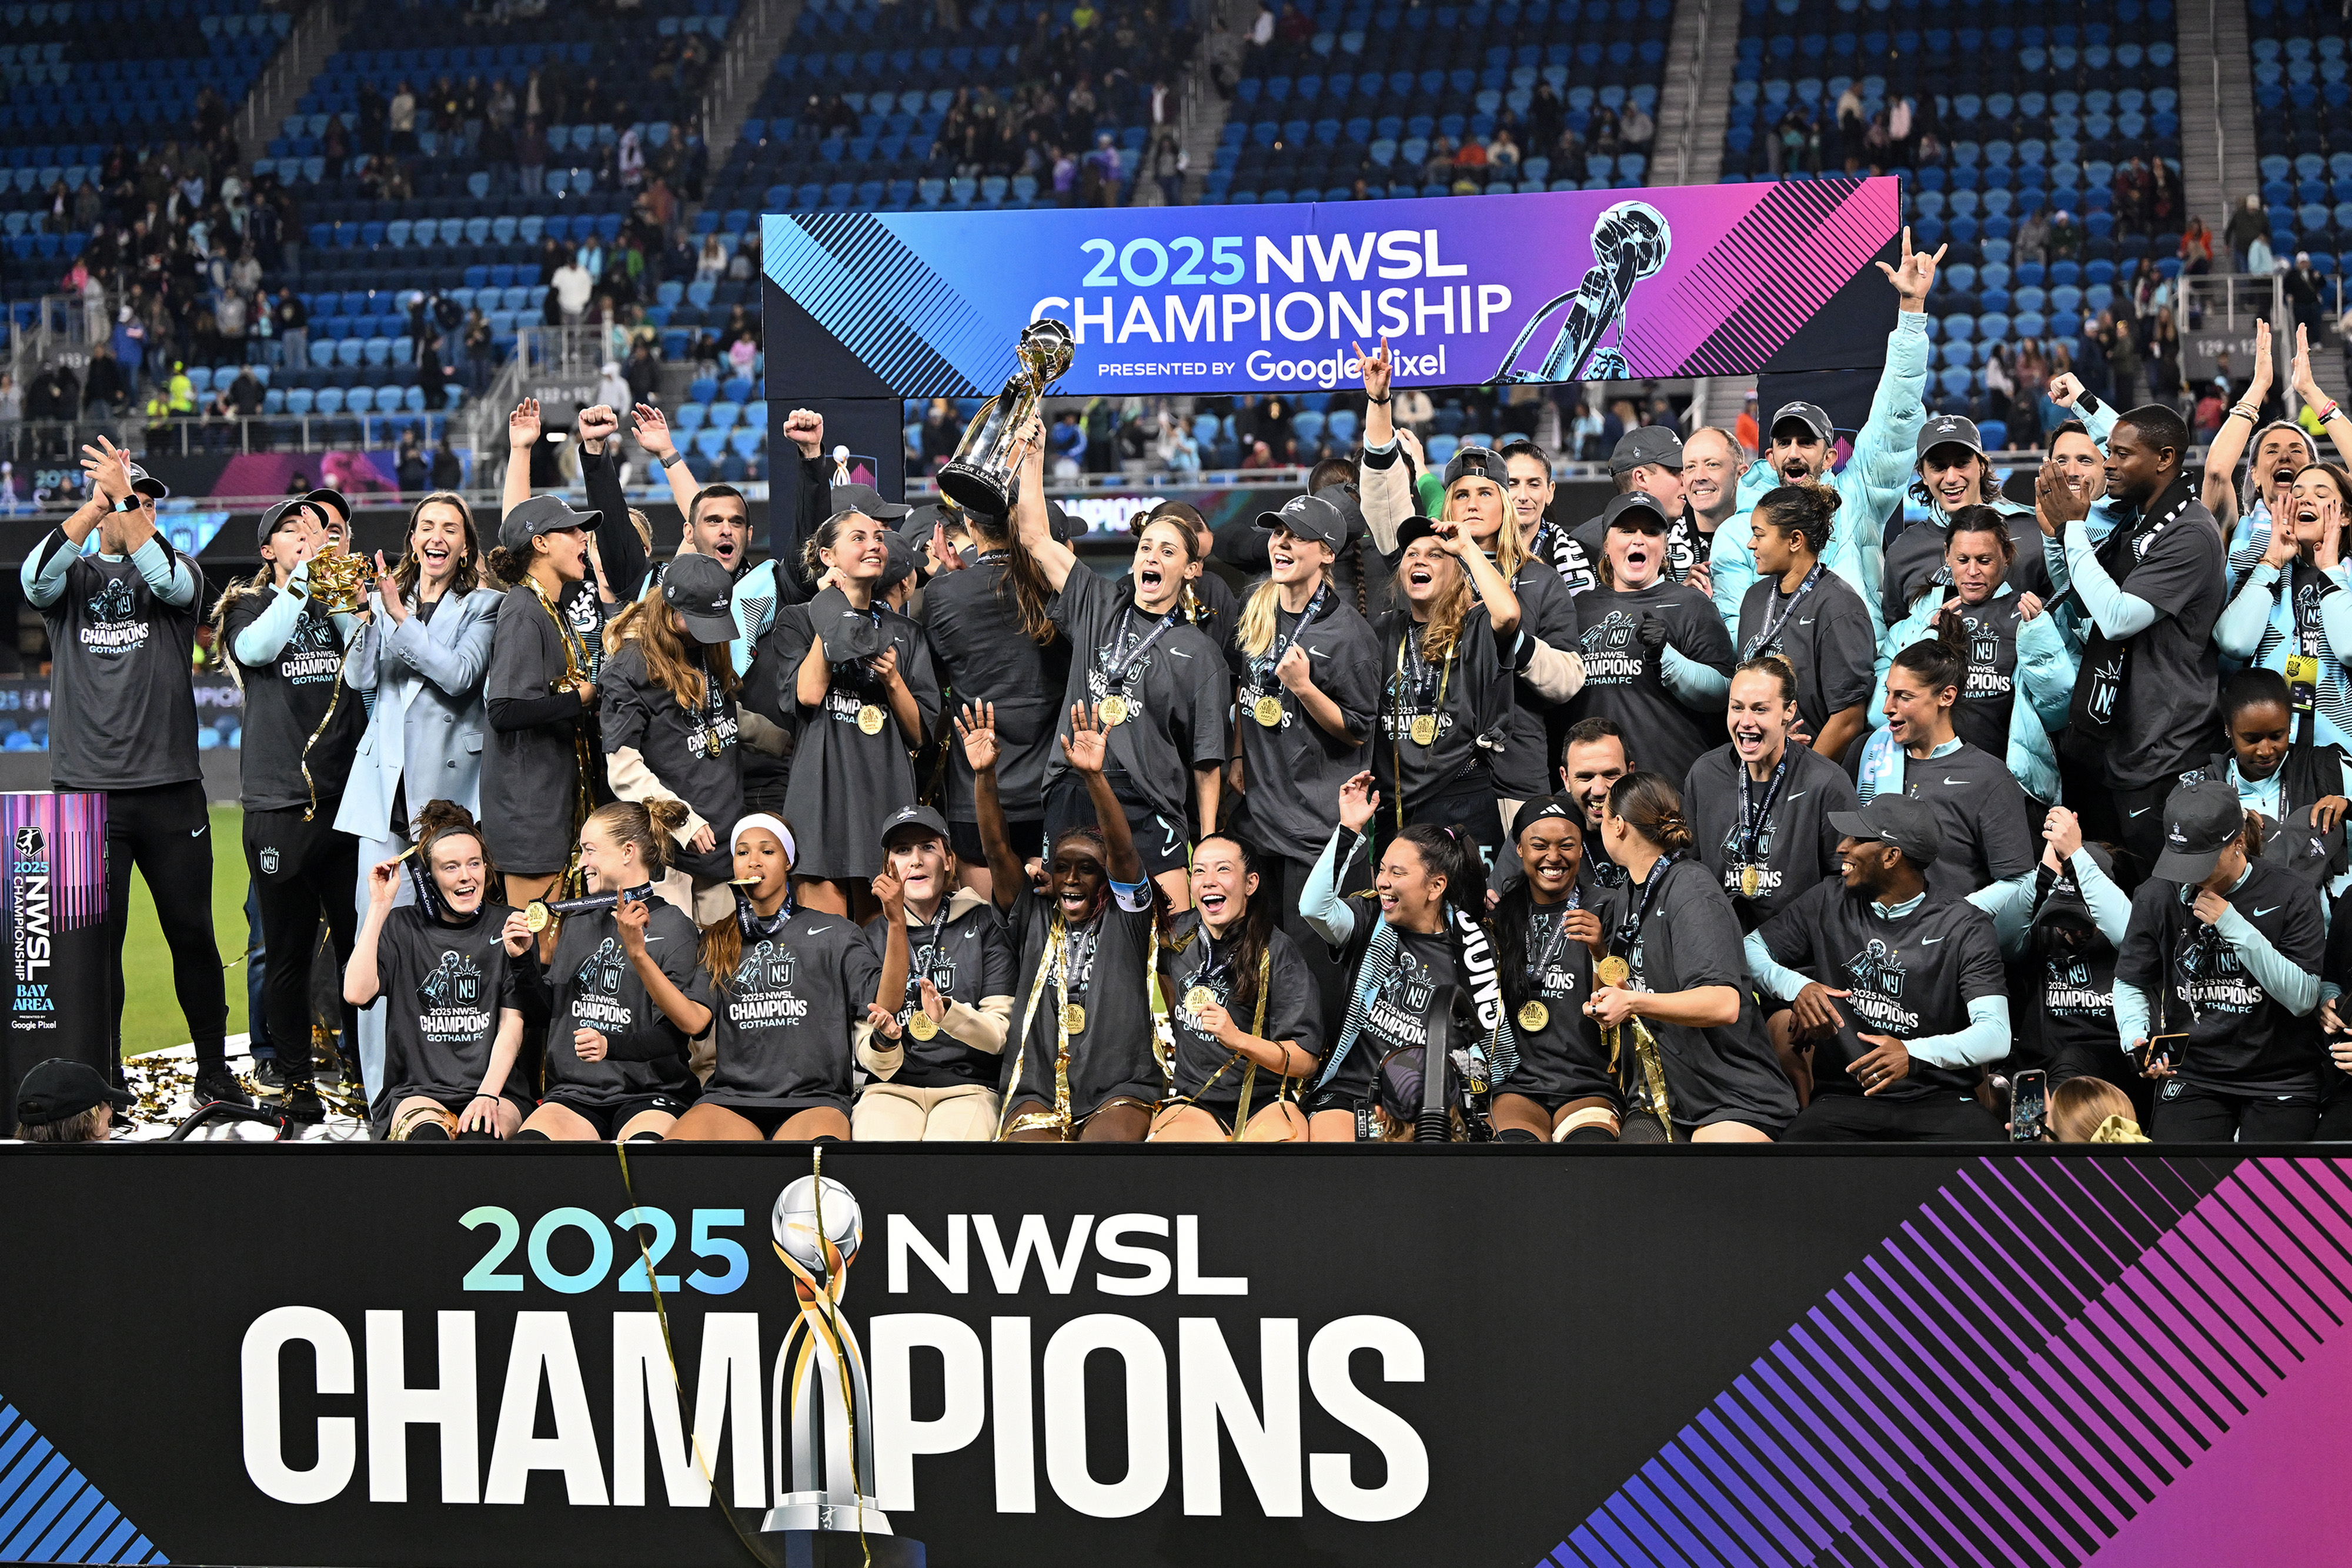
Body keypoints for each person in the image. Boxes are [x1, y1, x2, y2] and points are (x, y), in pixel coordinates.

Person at [19, 442, 233, 1104]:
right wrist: (98, 504)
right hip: (87, 796)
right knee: (97, 946)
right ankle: (104, 1076)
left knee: (192, 933)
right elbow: (32, 580)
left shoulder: (176, 570)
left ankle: (213, 1072)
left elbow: (176, 587)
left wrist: (126, 503)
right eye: (131, 499)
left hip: (171, 791)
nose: (142, 509)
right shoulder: (71, 578)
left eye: (147, 502)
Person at [1010, 420, 1229, 909]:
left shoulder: (1200, 653)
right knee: (1072, 928)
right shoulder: (1098, 602)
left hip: (1146, 800)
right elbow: (1034, 535)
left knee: (1173, 930)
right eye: (1146, 547)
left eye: (1168, 551)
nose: (1152, 557)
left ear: (1191, 570)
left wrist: (1208, 845)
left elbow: (1207, 761)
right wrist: (1034, 456)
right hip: (1074, 788)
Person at [335, 492, 503, 1114]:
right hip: (384, 802)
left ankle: (456, 1086)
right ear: (412, 538)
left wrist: (399, 617)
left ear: (465, 545)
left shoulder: (484, 606)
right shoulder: (388, 601)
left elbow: (460, 676)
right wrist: (365, 618)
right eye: (427, 526)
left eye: (450, 528)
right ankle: (381, 1095)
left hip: (449, 807)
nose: (437, 537)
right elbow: (360, 680)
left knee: (448, 949)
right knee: (375, 942)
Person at [1708, 227, 1942, 640]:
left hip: (1860, 670)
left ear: (1831, 456)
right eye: (1784, 443)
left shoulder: (1859, 498)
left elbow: (1896, 416)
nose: (1795, 452)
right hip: (1778, 676)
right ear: (1770, 456)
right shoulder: (1739, 532)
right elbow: (1738, 631)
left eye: (1806, 442)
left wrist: (1911, 310)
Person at [218, 497, 368, 1121]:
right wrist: (304, 578)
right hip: (280, 806)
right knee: (287, 953)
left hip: (346, 803)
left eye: (316, 528)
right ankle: (295, 1082)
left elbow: (365, 670)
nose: (307, 534)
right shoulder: (247, 606)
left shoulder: (338, 603)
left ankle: (366, 1073)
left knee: (358, 949)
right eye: (291, 529)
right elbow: (258, 650)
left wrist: (342, 598)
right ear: (267, 550)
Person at [1749, 793, 2008, 1139]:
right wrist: (1797, 987)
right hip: (1845, 1098)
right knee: (1795, 1152)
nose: (1842, 847)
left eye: (1858, 839)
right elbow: (1750, 948)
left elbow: (1996, 1035)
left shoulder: (1966, 926)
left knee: (1992, 1159)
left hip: (1940, 1100)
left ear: (1890, 856)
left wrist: (1912, 1054)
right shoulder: (1828, 898)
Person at [2038, 403, 2226, 867]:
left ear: (2165, 459)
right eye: (2109, 452)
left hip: (2169, 752)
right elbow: (2089, 600)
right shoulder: (2139, 518)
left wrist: (2073, 528)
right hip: (2122, 743)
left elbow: (2118, 617)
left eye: (2121, 455)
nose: (2108, 464)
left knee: (2169, 894)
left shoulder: (2191, 532)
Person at [965, 701, 1160, 1143]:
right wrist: (985, 776)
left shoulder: (1127, 918)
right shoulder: (1033, 913)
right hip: (1037, 1084)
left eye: (1087, 869)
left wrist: (1094, 778)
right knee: (1035, 1165)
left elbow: (1124, 852)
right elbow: (996, 850)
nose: (1072, 878)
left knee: (1099, 1157)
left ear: (1106, 878)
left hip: (1118, 1087)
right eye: (1063, 867)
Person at [1224, 491, 1379, 1017]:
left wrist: (1305, 688)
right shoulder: (1258, 606)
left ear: (1328, 553)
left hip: (1314, 832)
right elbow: (1244, 688)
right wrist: (1239, 757)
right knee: (1257, 972)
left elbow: (1357, 731)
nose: (1281, 544)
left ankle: (1318, 1066)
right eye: (1277, 533)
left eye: (1297, 537)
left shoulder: (1350, 635)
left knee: (1314, 987)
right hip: (1259, 824)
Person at [666, 814, 907, 1142]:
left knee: (814, 1166)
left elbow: (886, 1004)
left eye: (767, 852)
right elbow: (693, 1022)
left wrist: (896, 922)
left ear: (789, 862)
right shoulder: (719, 939)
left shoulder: (836, 933)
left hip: (814, 1101)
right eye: (742, 852)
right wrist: (639, 955)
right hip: (732, 1101)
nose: (753, 861)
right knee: (671, 1159)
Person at [1585, 773, 1797, 1140]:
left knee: (1700, 1165)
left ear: (1618, 825)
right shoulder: (1629, 893)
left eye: (1603, 817)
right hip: (1661, 1098)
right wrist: (1615, 997)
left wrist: (1633, 1002)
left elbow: (1723, 1003)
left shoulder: (1692, 891)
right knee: (1625, 1168)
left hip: (1730, 1097)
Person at [1299, 771, 1506, 1141]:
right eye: (1382, 870)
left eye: (1397, 873)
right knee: (1335, 1158)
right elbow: (1314, 908)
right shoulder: (1367, 920)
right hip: (1353, 1093)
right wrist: (1348, 830)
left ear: (1436, 886)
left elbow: (1482, 1049)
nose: (1382, 881)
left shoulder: (1473, 948)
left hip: (1429, 1102)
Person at [2116, 780, 2325, 1141]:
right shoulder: (2157, 893)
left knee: (2270, 1178)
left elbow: (2304, 998)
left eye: (2201, 862)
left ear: (2238, 842)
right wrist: (2136, 1037)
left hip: (2280, 1074)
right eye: (2181, 860)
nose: (2189, 874)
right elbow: (2130, 980)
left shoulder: (2291, 891)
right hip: (2193, 1070)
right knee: (2174, 1173)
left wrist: (2232, 924)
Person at [755, 509, 938, 917]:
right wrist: (831, 612)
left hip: (883, 793)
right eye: (859, 538)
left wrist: (893, 681)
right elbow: (809, 694)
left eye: (878, 538)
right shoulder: (797, 621)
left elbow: (918, 734)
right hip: (822, 798)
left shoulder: (905, 632)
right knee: (824, 939)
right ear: (828, 556)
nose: (874, 545)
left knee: (882, 936)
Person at [515, 801, 710, 1141]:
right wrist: (522, 959)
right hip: (576, 1093)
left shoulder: (674, 927)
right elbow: (548, 1013)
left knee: (642, 1156)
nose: (581, 863)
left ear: (628, 852)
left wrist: (611, 1045)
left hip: (650, 1093)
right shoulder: (578, 922)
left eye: (590, 851)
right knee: (530, 1154)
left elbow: (673, 1036)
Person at [914, 494, 1070, 901]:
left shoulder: (943, 594)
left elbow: (940, 669)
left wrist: (954, 582)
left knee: (988, 928)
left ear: (969, 524)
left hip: (979, 793)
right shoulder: (1056, 588)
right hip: (1050, 791)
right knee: (1055, 930)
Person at [343, 801, 529, 1140]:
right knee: (431, 1145)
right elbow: (356, 993)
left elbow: (512, 1024)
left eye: (474, 863)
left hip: (496, 1090)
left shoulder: (507, 924)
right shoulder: (401, 926)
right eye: (450, 867)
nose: (466, 876)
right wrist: (379, 907)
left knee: (480, 1138)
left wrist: (486, 1096)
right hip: (418, 1092)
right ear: (429, 878)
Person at [1873, 508, 2076, 810]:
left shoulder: (2036, 616)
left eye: (1984, 560)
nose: (1972, 571)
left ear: (2007, 556)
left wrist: (2040, 639)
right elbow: (1879, 715)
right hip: (1929, 786)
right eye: (1962, 559)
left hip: (2012, 787)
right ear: (1947, 555)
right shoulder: (1917, 623)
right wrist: (1927, 641)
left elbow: (2060, 712)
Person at [852, 805, 1017, 1141]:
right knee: (879, 1158)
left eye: (928, 847)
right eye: (902, 850)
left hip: (969, 1088)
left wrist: (949, 1015)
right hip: (890, 1089)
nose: (916, 860)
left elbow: (1000, 1036)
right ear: (887, 868)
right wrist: (885, 1041)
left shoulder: (984, 924)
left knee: (947, 1161)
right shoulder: (871, 937)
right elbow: (868, 1055)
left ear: (949, 861)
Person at [1855, 621, 2037, 921]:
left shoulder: (1989, 778)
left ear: (1946, 697)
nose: (1887, 707)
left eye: (1904, 696)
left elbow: (2019, 882)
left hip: (1946, 939)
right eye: (1888, 693)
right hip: (1872, 931)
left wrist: (1951, 920)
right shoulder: (1870, 753)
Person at [599, 554, 749, 918]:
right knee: (678, 951)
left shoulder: (706, 648)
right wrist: (682, 820)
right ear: (669, 610)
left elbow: (717, 715)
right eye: (698, 622)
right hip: (675, 858)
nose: (706, 633)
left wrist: (776, 738)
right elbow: (623, 770)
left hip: (725, 846)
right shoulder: (629, 669)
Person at [1148, 833, 1323, 1141]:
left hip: (1266, 1101)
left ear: (1250, 884)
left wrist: (1238, 1039)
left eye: (1223, 869)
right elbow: (1165, 976)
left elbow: (1306, 1063)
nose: (1209, 881)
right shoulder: (1176, 936)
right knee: (1171, 1157)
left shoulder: (1278, 953)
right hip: (1195, 1099)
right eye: (1199, 871)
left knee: (1280, 1152)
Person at [1369, 514, 1524, 855]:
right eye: (1411, 554)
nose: (1420, 560)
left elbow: (1509, 615)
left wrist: (1466, 547)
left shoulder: (1476, 625)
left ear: (1457, 572)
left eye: (1435, 555)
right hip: (1398, 807)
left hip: (1462, 797)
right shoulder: (1383, 632)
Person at [1568, 492, 1735, 793]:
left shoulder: (1691, 605)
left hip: (1670, 788)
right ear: (1606, 545)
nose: (1639, 540)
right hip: (1597, 790)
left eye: (1651, 532)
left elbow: (1723, 692)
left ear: (1665, 545)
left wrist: (1667, 657)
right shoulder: (1578, 610)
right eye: (1627, 531)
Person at [1685, 655, 1861, 936]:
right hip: (1722, 944)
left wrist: (1779, 944)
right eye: (1737, 708)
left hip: (1796, 951)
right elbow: (1690, 870)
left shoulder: (1827, 782)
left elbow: (1844, 883)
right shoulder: (1705, 775)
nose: (1746, 722)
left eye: (1760, 710)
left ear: (1789, 711)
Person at [482, 494, 600, 910]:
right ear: (541, 543)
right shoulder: (522, 609)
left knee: (561, 941)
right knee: (536, 943)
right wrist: (581, 699)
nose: (583, 537)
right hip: (528, 817)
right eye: (571, 530)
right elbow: (503, 710)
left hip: (554, 805)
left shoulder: (552, 607)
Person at [1486, 797, 1618, 1141]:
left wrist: (1599, 951)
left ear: (1581, 849)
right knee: (1515, 1154)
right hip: (1517, 1083)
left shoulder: (1606, 907)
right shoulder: (1500, 916)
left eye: (1567, 846)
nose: (1554, 857)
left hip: (1588, 1080)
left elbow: (1620, 1007)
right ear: (1519, 849)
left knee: (1588, 1154)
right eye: (1539, 846)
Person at [2216, 463, 2352, 757]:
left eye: (2321, 494)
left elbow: (2349, 648)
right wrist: (2272, 563)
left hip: (2341, 757)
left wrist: (2331, 570)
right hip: (2271, 755)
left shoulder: (2349, 576)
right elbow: (2234, 643)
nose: (2305, 500)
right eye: (2297, 494)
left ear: (2345, 516)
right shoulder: (2266, 573)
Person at [1734, 484, 1874, 763]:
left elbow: (1848, 719)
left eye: (1759, 535)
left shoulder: (1840, 607)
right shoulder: (1755, 598)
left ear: (1795, 540)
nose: (1751, 544)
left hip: (1809, 772)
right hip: (1755, 763)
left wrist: (1803, 773)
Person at [1882, 413, 2047, 626]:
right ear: (1923, 474)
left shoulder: (2033, 535)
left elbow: (2066, 622)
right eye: (1939, 467)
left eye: (1962, 464)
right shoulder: (1903, 553)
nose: (1951, 478)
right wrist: (1925, 631)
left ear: (1981, 466)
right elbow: (1893, 634)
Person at [1560, 717, 1634, 897]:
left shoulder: (1659, 811)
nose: (1599, 790)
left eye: (1611, 775)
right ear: (1566, 779)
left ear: (1630, 773)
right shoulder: (1541, 822)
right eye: (1585, 777)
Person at [11, 1058, 133, 1142]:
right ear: (88, 1127)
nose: (110, 1133)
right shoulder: (110, 1171)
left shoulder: (13, 1168)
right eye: (108, 1121)